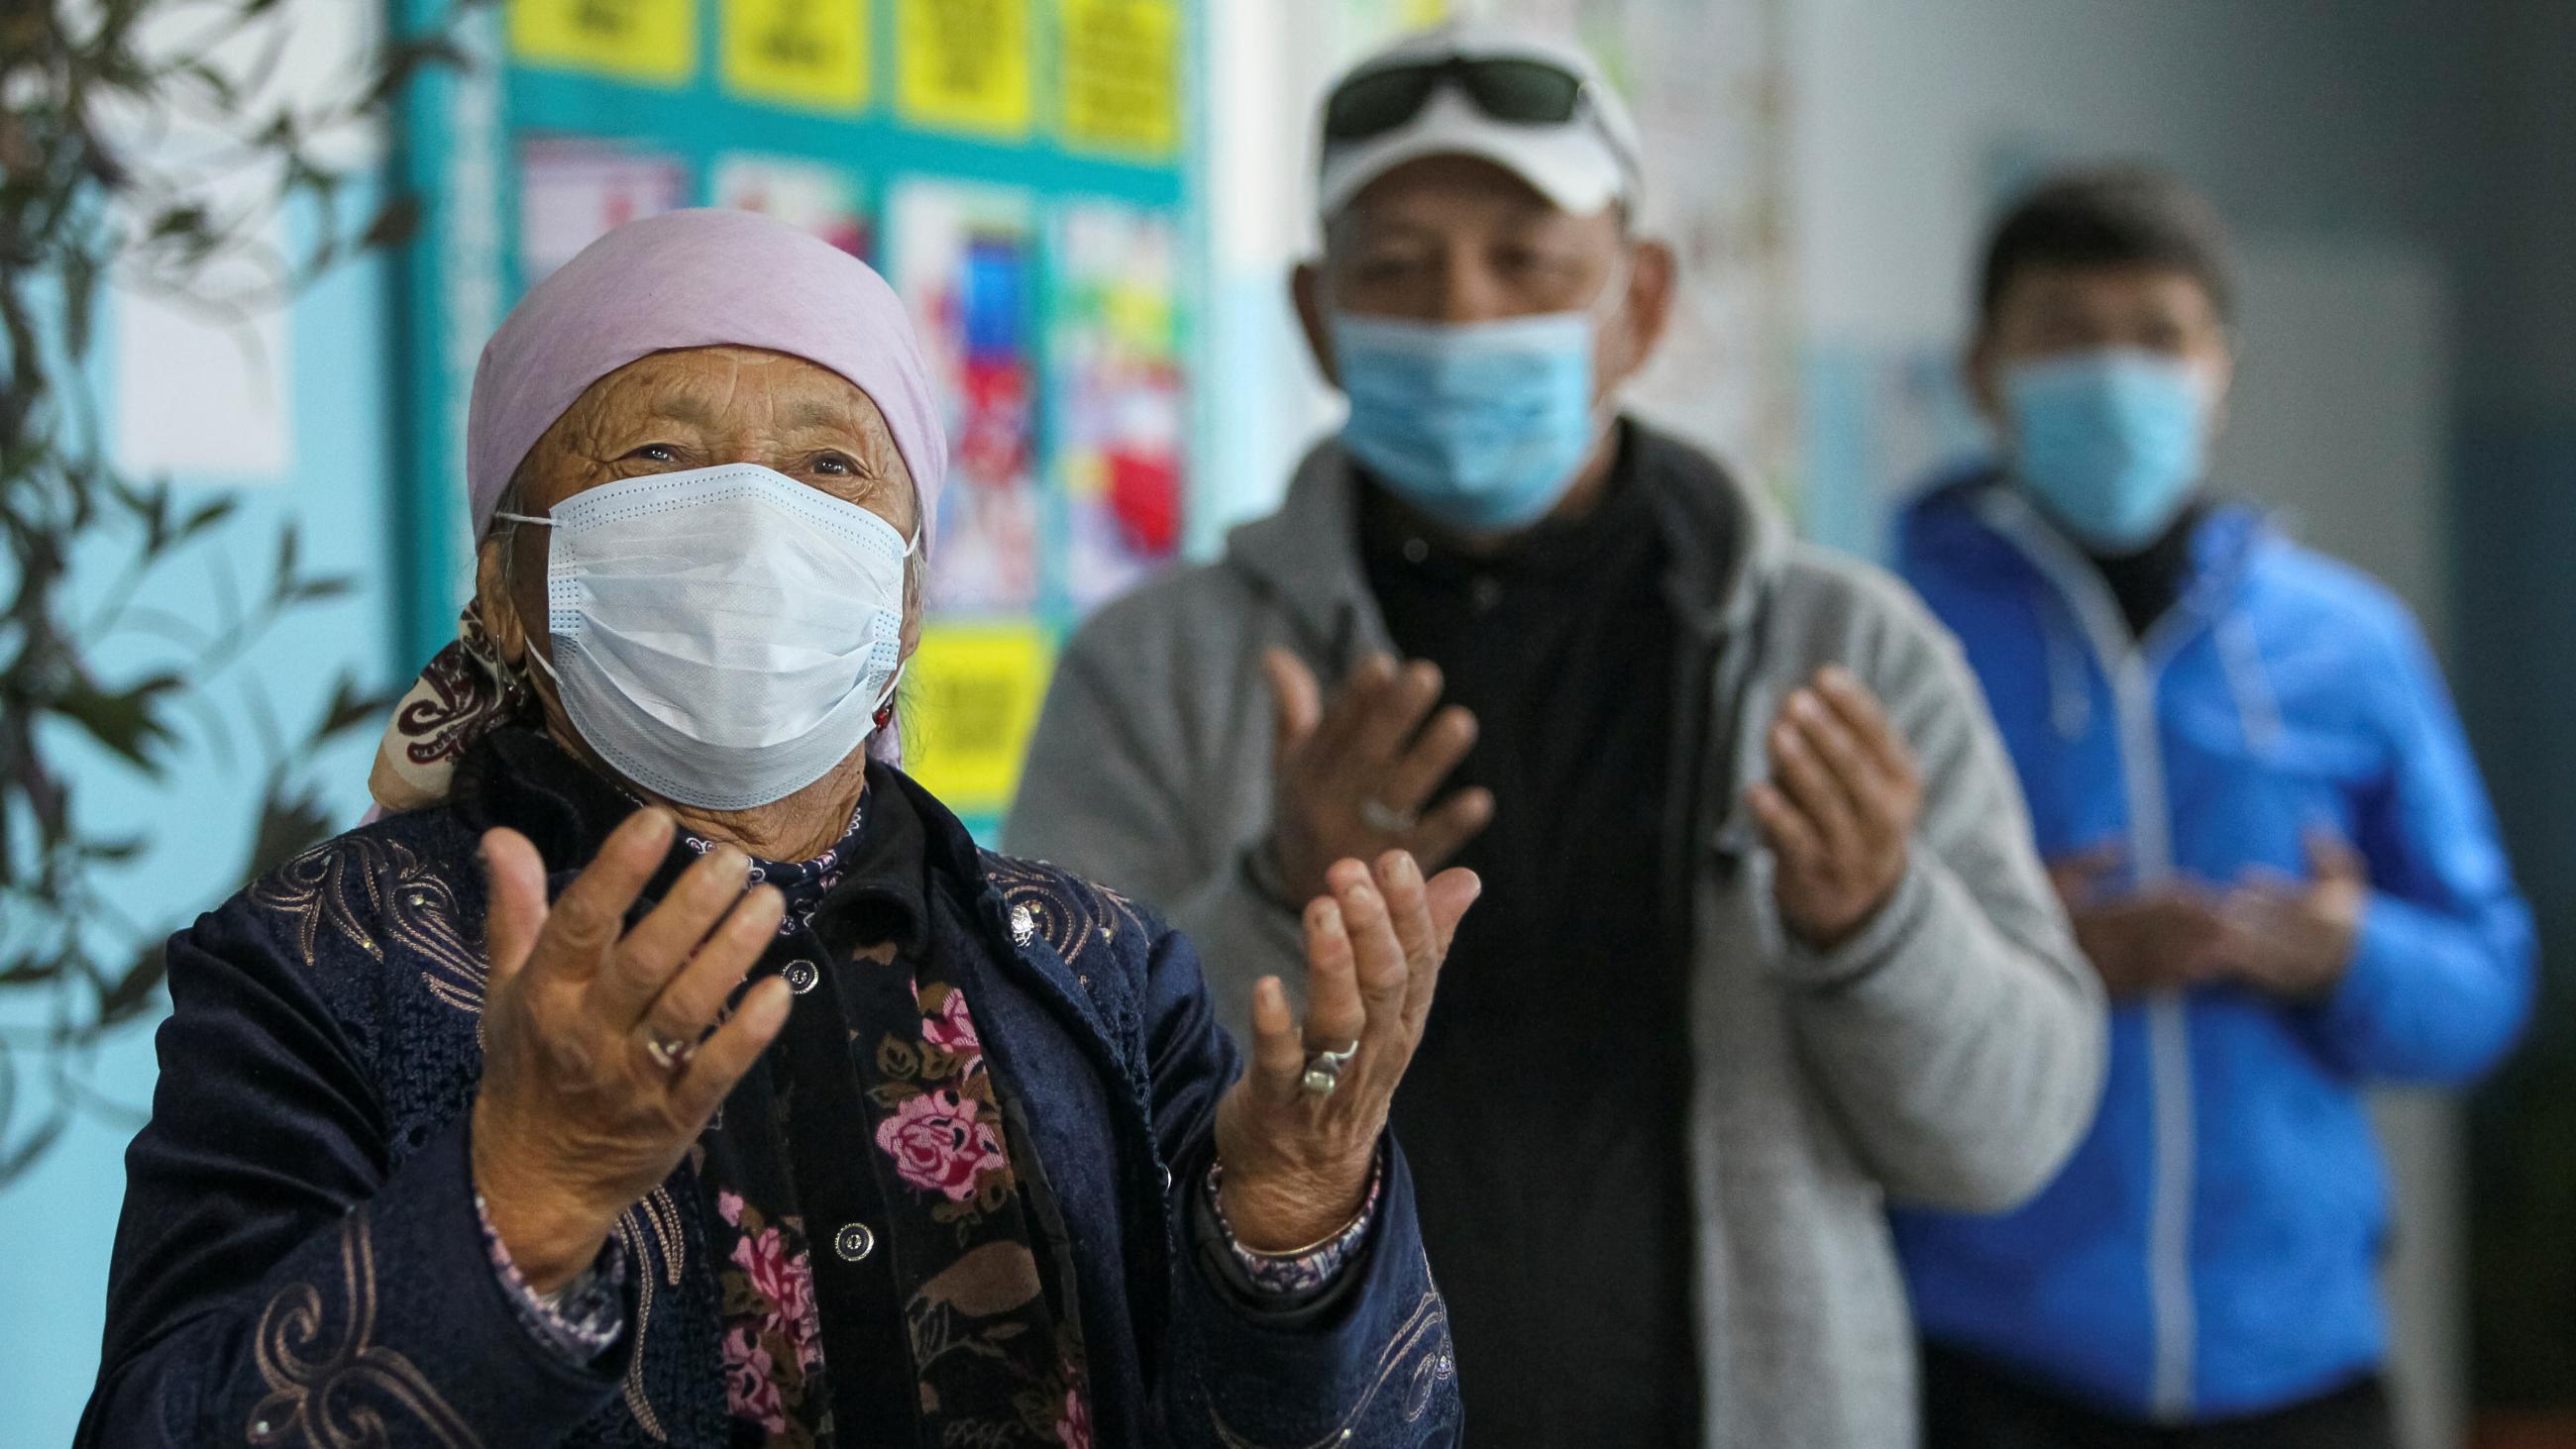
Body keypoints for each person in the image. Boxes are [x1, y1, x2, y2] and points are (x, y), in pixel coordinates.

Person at [77, 209, 1474, 1449]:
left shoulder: (1098, 973)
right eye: (657, 453)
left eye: (829, 467)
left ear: (908, 598)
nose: (753, 524)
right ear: (507, 582)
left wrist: (1292, 1228)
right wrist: (522, 1199)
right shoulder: (320, 968)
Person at [1006, 25, 2106, 1449]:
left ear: (1641, 301)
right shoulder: (1156, 669)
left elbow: (2007, 1137)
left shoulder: (1844, 656)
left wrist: (1879, 930)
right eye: (1395, 267)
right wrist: (1277, 901)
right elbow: (1032, 1132)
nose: (1462, 314)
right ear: (1317, 313)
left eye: (1529, 262)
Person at [1891, 166, 2535, 1449]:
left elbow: (2486, 984)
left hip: (2297, 1365)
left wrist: (2351, 953)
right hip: (1986, 1363)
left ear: (2220, 370)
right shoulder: (1888, 634)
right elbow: (1801, 987)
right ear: (1983, 370)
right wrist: (2037, 969)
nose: (2118, 376)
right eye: (2068, 334)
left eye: (2159, 338)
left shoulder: (2350, 646)